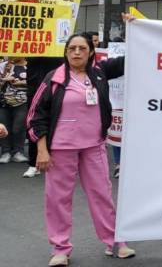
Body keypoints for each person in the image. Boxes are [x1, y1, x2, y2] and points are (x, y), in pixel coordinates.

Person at [27, 30, 136, 265]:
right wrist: (42, 150)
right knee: (57, 199)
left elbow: (133, 59)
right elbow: (36, 116)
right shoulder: (53, 79)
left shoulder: (99, 73)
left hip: (94, 147)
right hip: (60, 150)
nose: (77, 52)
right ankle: (60, 249)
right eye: (72, 48)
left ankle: (115, 242)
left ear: (91, 53)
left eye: (82, 48)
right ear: (66, 52)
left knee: (102, 195)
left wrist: (136, 30)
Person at [23, 55, 64, 178]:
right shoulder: (32, 43)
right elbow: (16, 57)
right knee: (34, 125)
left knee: (58, 126)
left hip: (56, 87)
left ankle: (59, 163)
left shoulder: (57, 45)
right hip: (34, 89)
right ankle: (33, 164)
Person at [0, 57, 29, 164]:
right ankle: (5, 152)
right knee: (4, 128)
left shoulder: (28, 67)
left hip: (22, 102)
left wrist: (21, 83)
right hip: (3, 102)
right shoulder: (3, 66)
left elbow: (34, 83)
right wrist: (4, 75)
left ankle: (18, 152)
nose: (12, 55)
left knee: (18, 127)